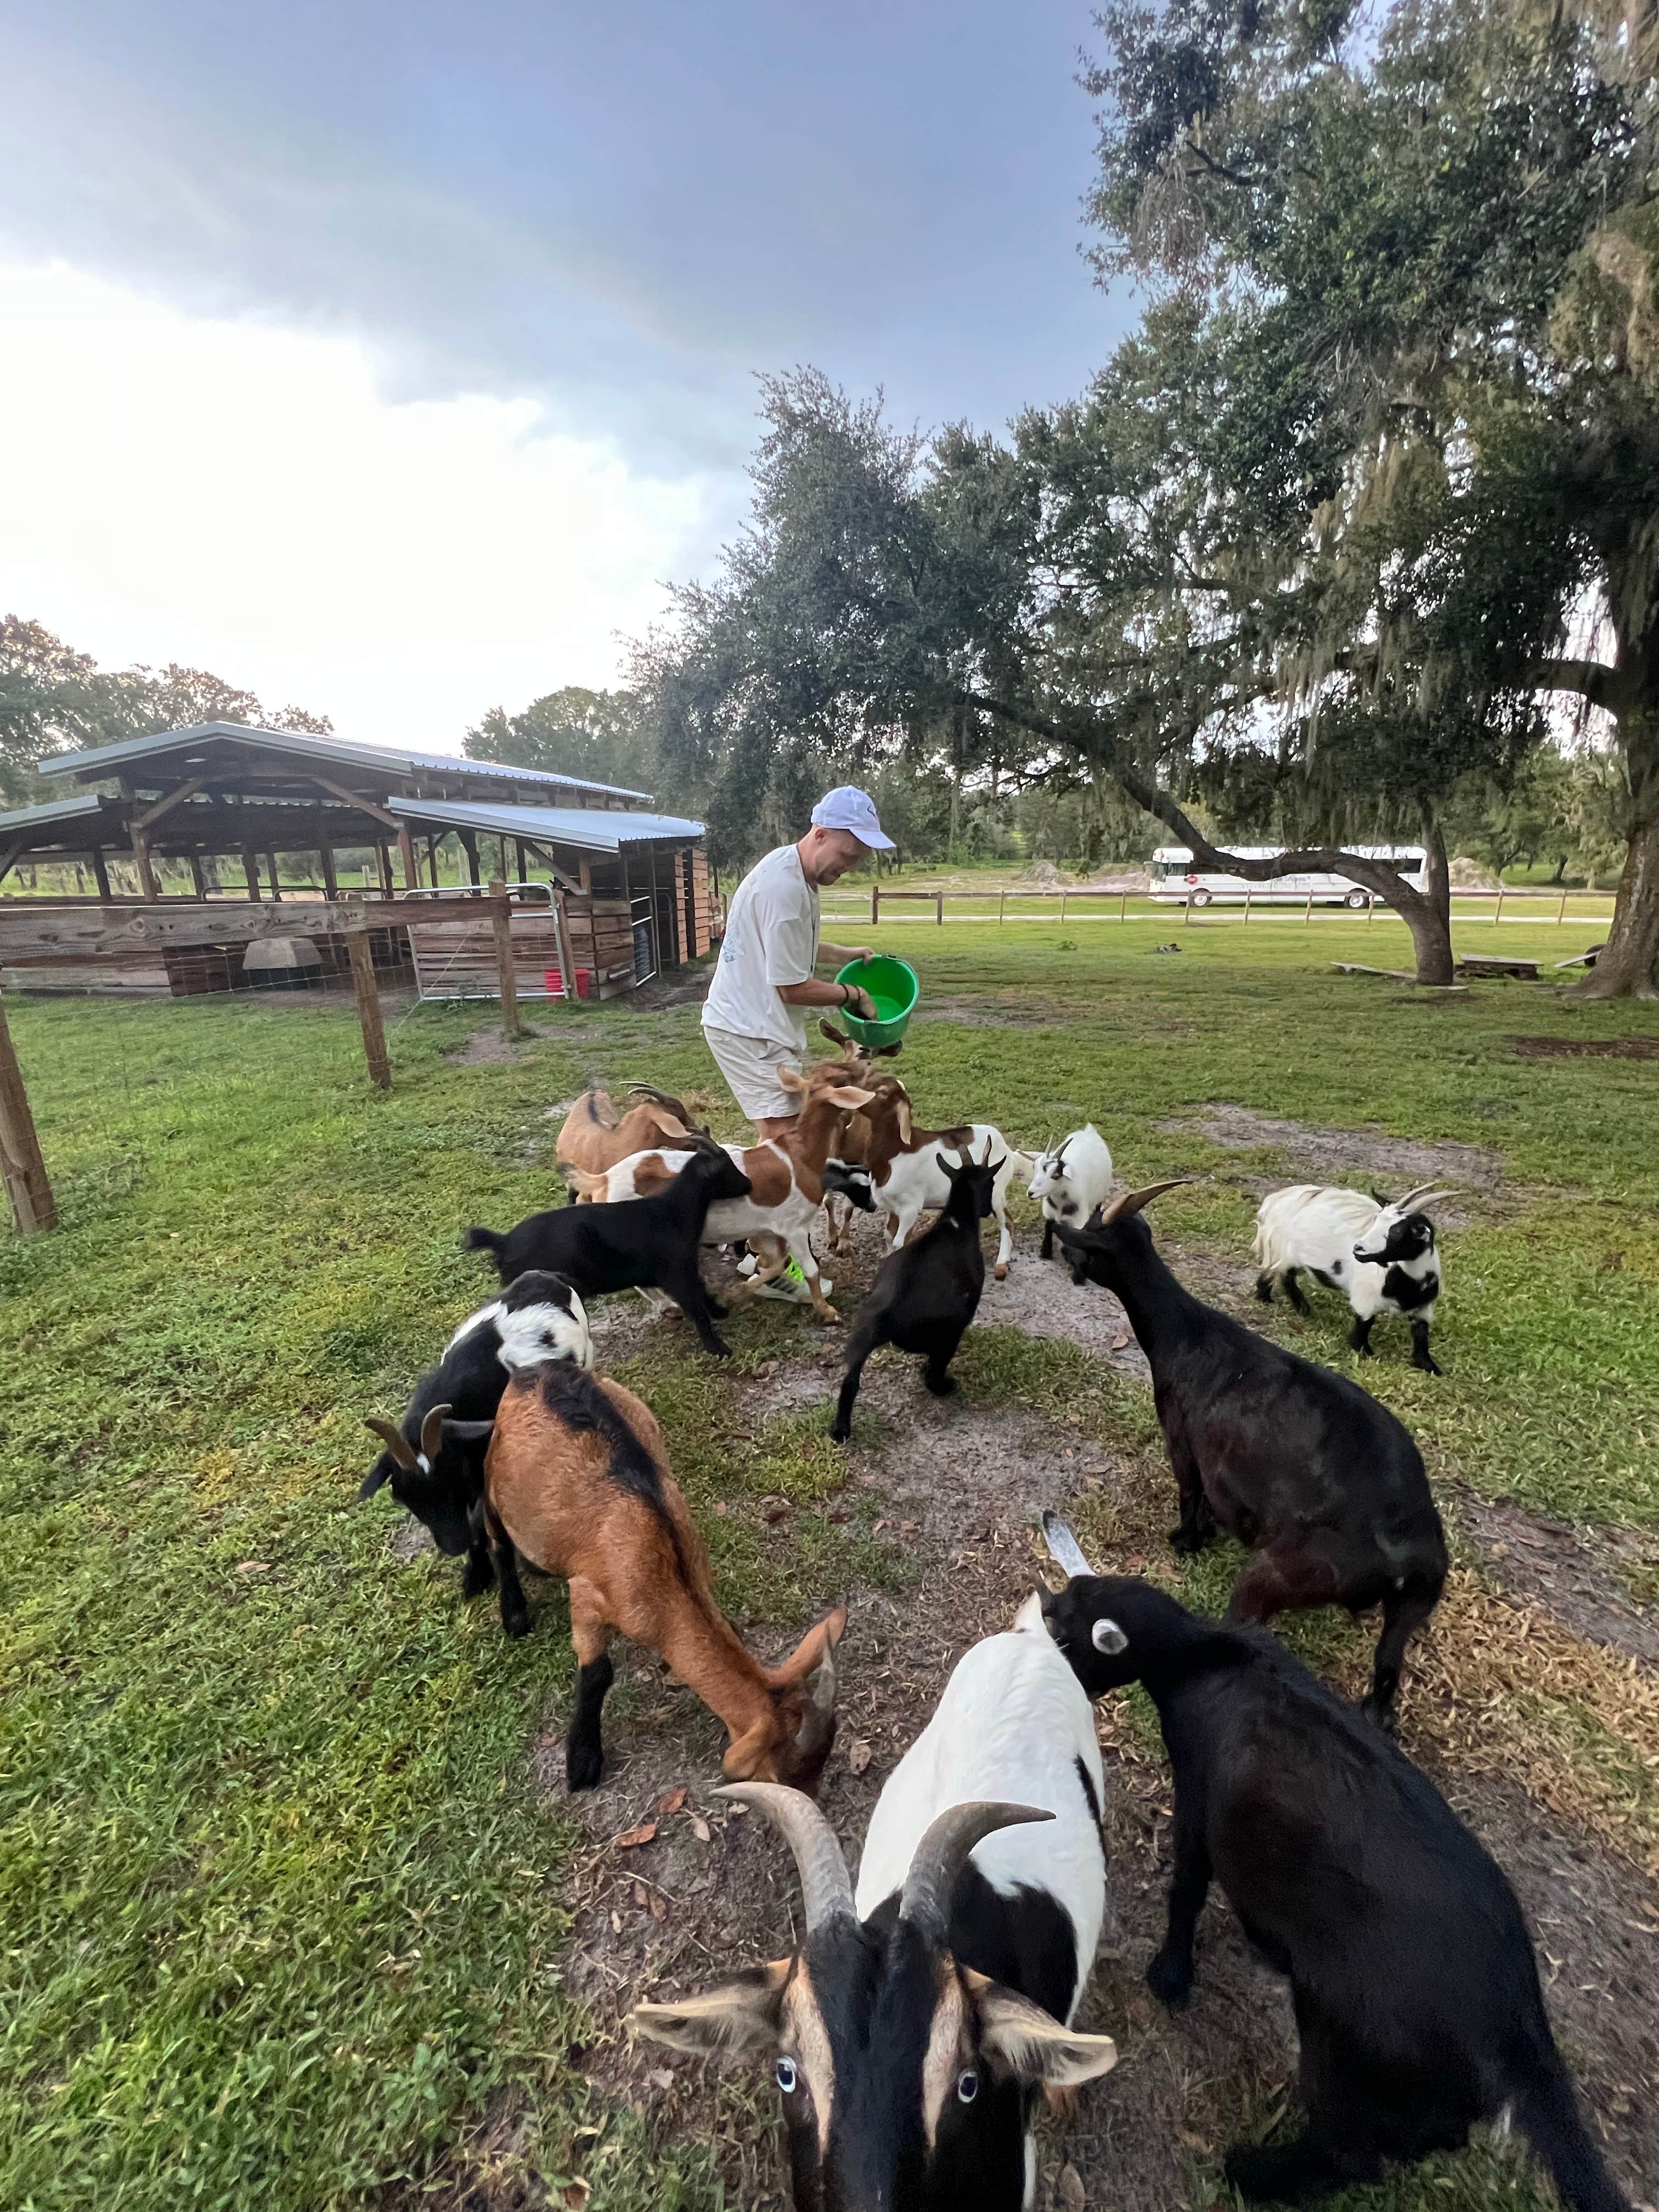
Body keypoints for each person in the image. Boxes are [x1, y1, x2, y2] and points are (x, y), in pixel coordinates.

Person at [702, 787, 893, 1300]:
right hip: (748, 1030)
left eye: (858, 859)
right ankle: (770, 1265)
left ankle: (758, 1247)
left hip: (761, 1026)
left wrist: (843, 953)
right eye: (847, 854)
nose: (849, 867)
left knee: (791, 1148)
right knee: (788, 1151)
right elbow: (791, 986)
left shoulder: (794, 871)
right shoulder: (785, 891)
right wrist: (854, 994)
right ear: (821, 833)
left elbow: (794, 948)